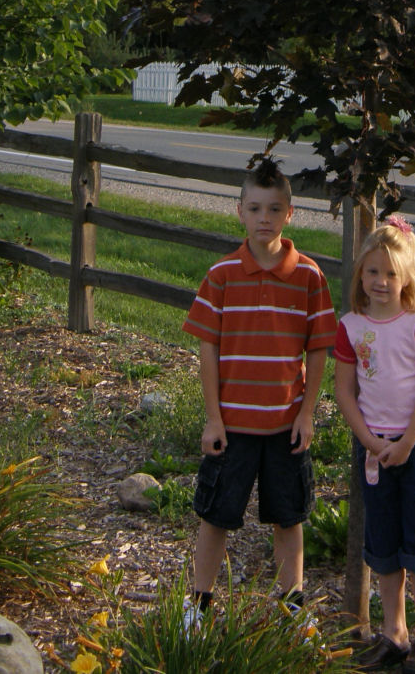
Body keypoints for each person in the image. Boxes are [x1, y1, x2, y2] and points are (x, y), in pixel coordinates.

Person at [181, 157, 337, 625]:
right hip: (233, 426)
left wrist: (307, 414)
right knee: (216, 516)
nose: (264, 218)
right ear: (240, 212)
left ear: (290, 213)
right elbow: (208, 348)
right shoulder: (222, 275)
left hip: (285, 425)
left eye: (274, 209)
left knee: (289, 518)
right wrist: (213, 418)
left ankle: (292, 610)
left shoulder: (308, 277)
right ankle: (197, 609)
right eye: (254, 208)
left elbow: (318, 349)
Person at [334, 217, 415, 674]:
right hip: (374, 448)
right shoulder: (351, 326)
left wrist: (407, 441)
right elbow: (344, 391)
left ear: (407, 278)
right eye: (372, 271)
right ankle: (393, 632)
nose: (381, 281)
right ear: (360, 274)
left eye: (391, 273)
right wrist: (369, 440)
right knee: (382, 542)